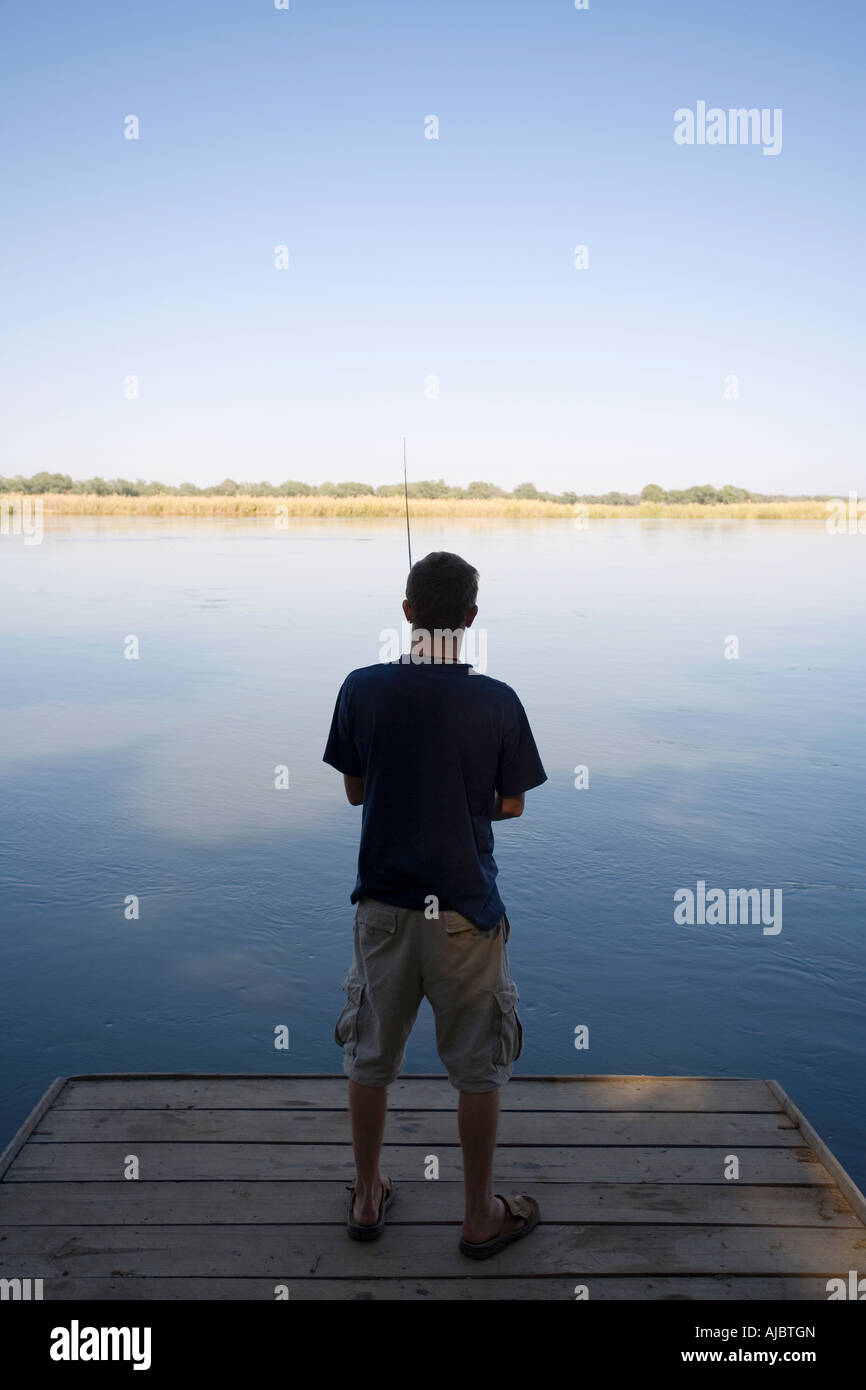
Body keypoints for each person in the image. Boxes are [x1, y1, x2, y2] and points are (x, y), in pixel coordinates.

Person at [323, 550, 547, 1258]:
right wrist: (462, 801)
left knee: (370, 1056)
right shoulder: (499, 701)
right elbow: (510, 805)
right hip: (466, 915)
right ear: (472, 619)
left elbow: (357, 791)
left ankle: (366, 1196)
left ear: (408, 612)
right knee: (478, 1069)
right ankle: (480, 1215)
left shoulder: (361, 688)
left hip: (384, 908)